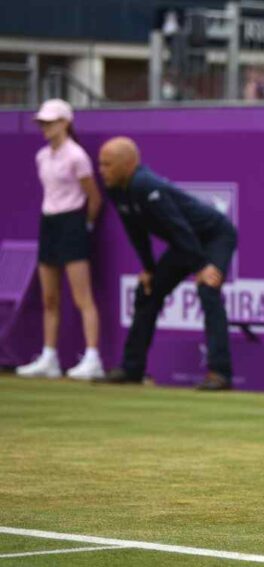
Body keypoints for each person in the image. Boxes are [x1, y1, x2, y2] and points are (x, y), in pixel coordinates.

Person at [94, 137, 237, 391]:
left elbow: (177, 227)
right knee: (148, 292)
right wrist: (149, 268)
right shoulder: (116, 189)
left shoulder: (145, 185)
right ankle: (132, 368)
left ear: (128, 164)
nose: (101, 170)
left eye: (107, 164)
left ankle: (220, 373)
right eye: (100, 164)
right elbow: (135, 230)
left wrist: (202, 267)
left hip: (214, 236)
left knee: (208, 290)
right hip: (187, 243)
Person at [16, 99, 105, 380]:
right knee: (50, 297)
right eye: (42, 122)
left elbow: (94, 198)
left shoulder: (77, 156)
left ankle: (92, 358)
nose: (45, 127)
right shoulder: (42, 156)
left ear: (65, 123)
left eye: (50, 122)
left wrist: (84, 226)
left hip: (72, 223)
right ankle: (49, 357)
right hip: (49, 223)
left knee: (82, 297)